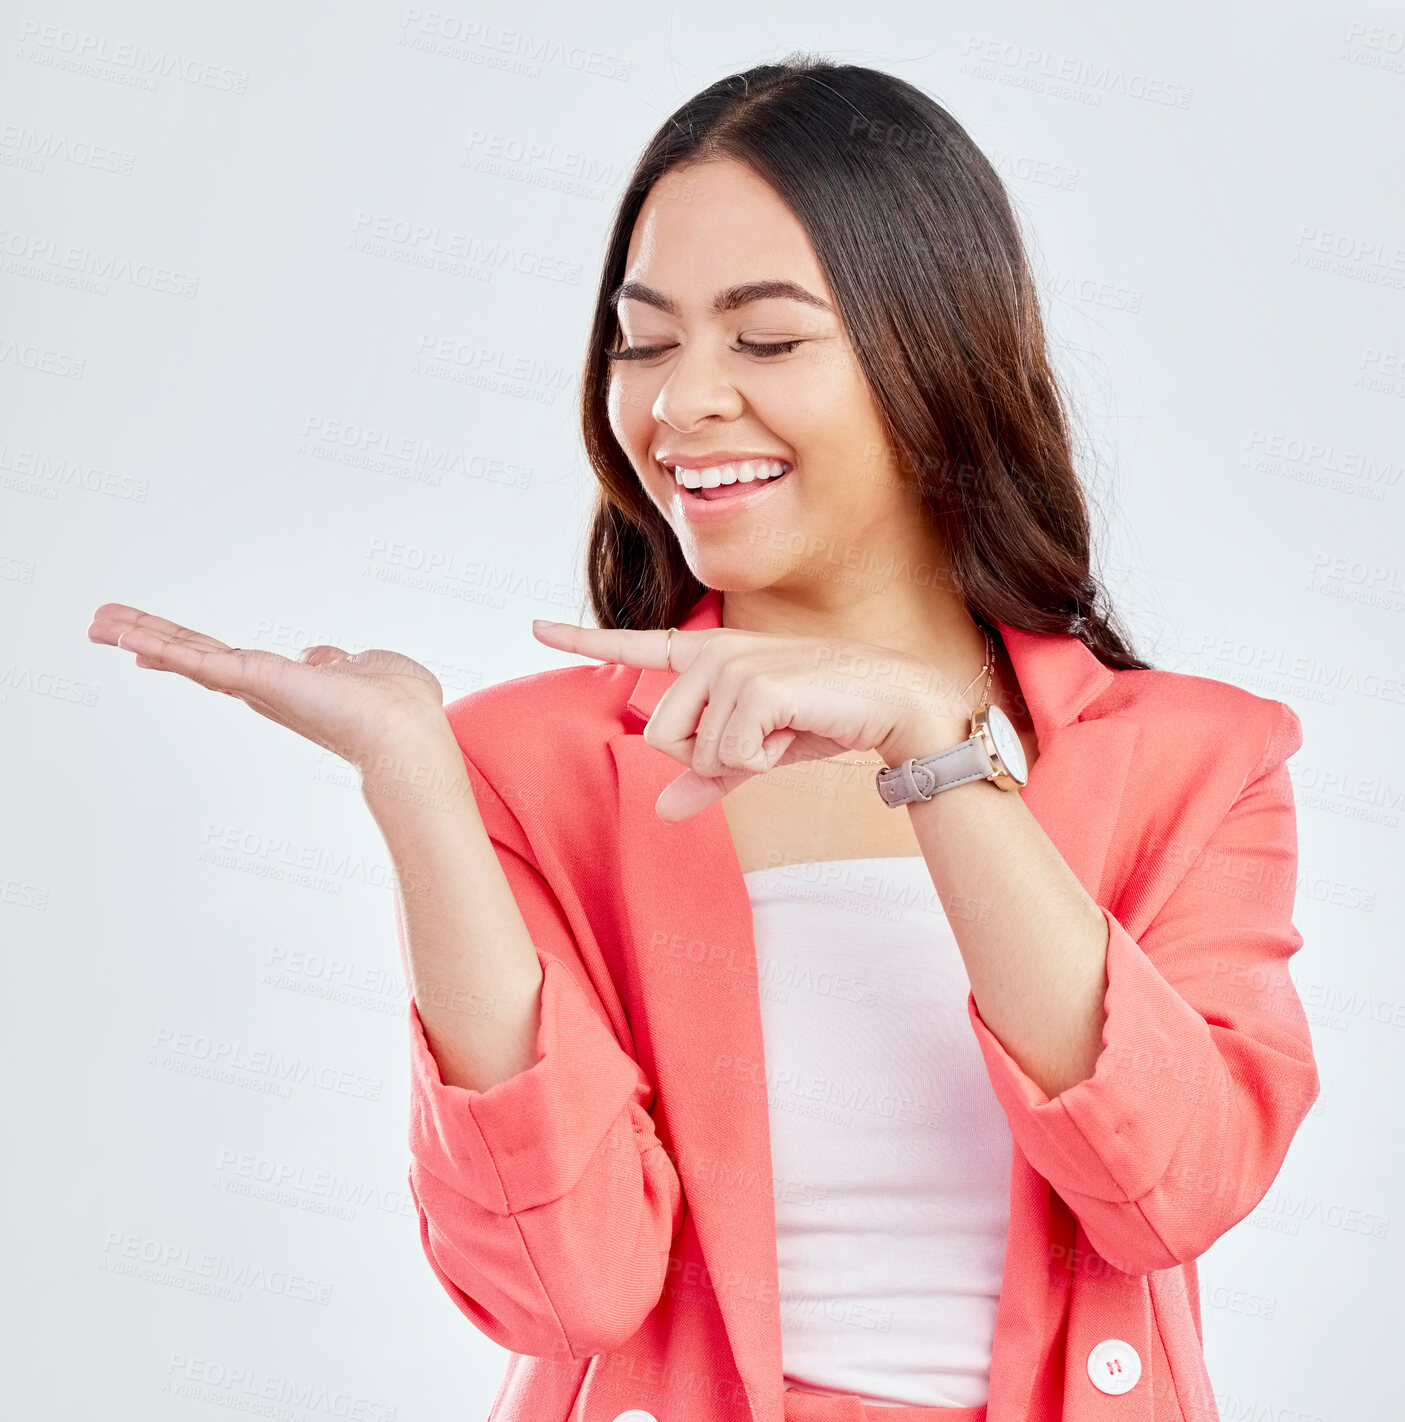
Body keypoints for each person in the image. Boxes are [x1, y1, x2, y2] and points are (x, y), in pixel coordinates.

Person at [89, 54, 1319, 1422]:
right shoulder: (528, 765)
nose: (678, 403)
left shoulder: (1200, 760)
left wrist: (932, 747)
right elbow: (566, 1286)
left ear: (940, 348)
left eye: (765, 339)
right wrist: (417, 784)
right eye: (643, 340)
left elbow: (1174, 1187)